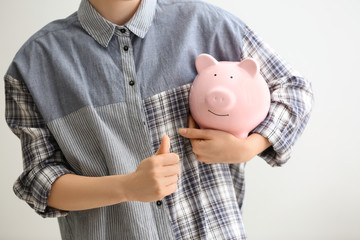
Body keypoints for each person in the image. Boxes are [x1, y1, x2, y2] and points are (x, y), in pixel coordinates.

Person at [4, 0, 313, 239]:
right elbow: (40, 180)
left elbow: (293, 89)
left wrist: (248, 147)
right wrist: (126, 187)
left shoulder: (205, 23)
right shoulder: (34, 63)